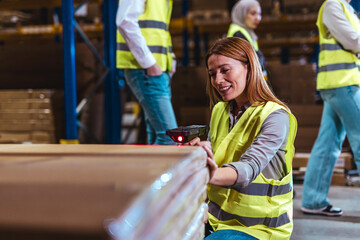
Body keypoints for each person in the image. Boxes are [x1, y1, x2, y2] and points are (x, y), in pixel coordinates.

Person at [187, 37, 297, 240]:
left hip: (259, 230)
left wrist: (206, 175)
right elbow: (224, 149)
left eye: (225, 70)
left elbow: (248, 168)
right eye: (212, 74)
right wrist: (199, 152)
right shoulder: (220, 110)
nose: (218, 80)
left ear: (249, 67)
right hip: (217, 221)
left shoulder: (276, 116)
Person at [301, 0, 360, 216]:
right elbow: (354, 41)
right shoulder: (332, 6)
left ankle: (313, 200)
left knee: (327, 144)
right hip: (342, 84)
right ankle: (314, 198)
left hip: (338, 84)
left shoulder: (347, 8)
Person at [116, 0, 177, 145]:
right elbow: (124, 21)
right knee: (169, 137)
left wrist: (170, 60)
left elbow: (159, 31)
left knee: (158, 134)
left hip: (158, 71)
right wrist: (150, 63)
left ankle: (155, 168)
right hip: (146, 70)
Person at [227, 0, 267, 78]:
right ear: (242, 13)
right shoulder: (237, 33)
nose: (258, 18)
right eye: (253, 13)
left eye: (259, 14)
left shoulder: (246, 32)